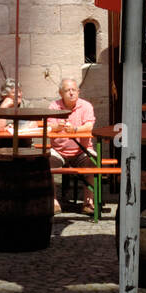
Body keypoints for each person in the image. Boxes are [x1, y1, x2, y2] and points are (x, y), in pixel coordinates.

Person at [48, 77, 96, 214]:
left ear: (78, 91)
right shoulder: (54, 107)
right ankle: (53, 201)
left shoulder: (86, 106)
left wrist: (75, 130)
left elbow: (89, 126)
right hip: (59, 150)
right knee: (48, 163)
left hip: (82, 150)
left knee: (91, 163)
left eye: (73, 90)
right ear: (60, 93)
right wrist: (57, 127)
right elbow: (49, 126)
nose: (71, 93)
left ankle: (88, 201)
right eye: (67, 90)